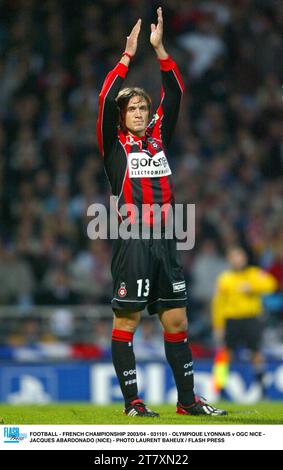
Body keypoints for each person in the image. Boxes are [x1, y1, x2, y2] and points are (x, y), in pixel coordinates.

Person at [97, 7, 226, 417]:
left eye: (142, 108)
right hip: (132, 242)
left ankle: (187, 402)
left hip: (167, 240)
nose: (138, 113)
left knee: (177, 323)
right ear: (122, 117)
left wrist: (160, 49)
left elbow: (177, 92)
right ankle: (133, 403)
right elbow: (103, 99)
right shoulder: (115, 148)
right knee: (128, 323)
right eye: (131, 109)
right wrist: (127, 57)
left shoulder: (157, 140)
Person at [212, 246, 278, 397]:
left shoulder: (253, 274)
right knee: (224, 353)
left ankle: (262, 388)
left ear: (245, 258)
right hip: (231, 320)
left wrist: (253, 287)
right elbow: (218, 304)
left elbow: (271, 284)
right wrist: (218, 325)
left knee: (256, 353)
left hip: (251, 319)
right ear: (229, 260)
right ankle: (219, 388)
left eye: (239, 257)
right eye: (234, 257)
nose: (237, 260)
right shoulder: (225, 278)